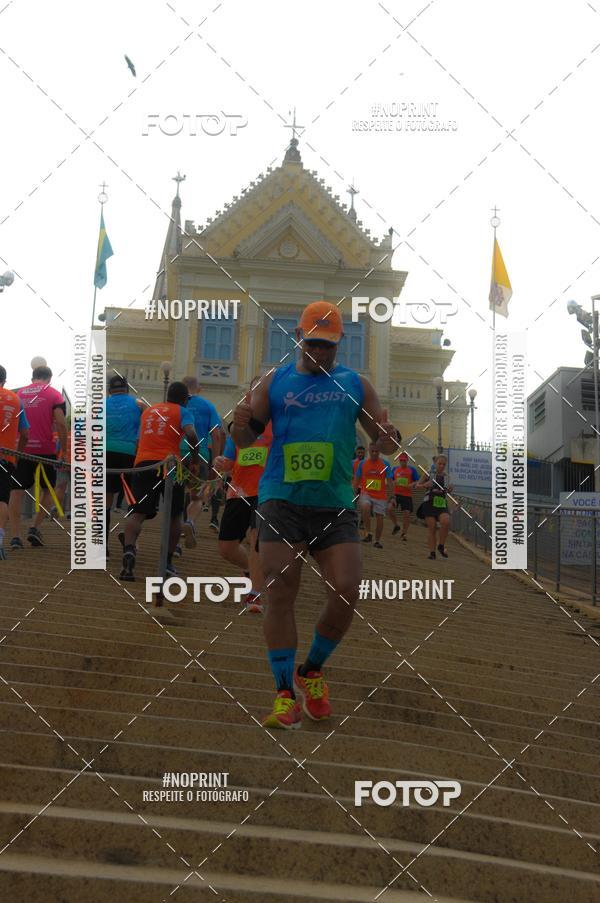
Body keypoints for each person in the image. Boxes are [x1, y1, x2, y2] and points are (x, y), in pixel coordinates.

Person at [231, 300, 400, 730]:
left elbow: (384, 442)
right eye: (313, 344)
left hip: (334, 503)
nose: (320, 352)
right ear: (299, 340)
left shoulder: (355, 384)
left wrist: (387, 438)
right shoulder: (275, 381)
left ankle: (313, 670)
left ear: (338, 344)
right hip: (280, 499)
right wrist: (239, 421)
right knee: (281, 590)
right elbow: (246, 436)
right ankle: (284, 693)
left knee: (346, 588)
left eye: (328, 346)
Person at [120, 381, 200, 581]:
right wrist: (195, 460)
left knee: (137, 512)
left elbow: (139, 441)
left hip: (143, 463)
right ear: (184, 399)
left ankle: (129, 551)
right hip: (170, 465)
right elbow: (191, 434)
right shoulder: (182, 411)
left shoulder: (149, 411)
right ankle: (167, 563)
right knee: (174, 516)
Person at [213, 417, 273, 613]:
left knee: (256, 537)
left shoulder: (281, 421)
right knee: (226, 548)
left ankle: (255, 593)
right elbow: (229, 461)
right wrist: (220, 461)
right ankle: (252, 571)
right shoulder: (239, 427)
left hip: (267, 490)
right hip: (238, 491)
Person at [9, 365, 67, 548]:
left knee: (16, 491)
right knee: (48, 489)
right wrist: (63, 451)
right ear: (49, 378)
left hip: (21, 449)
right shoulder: (55, 394)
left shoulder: (19, 394)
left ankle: (16, 535)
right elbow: (61, 423)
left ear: (33, 377)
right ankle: (34, 527)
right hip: (46, 451)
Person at [180, 376, 224, 547]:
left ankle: (174, 541)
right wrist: (216, 462)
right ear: (198, 388)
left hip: (177, 455)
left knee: (175, 496)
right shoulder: (208, 406)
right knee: (197, 496)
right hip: (201, 455)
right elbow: (217, 435)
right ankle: (190, 522)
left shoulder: (178, 405)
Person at [105, 375, 142, 548]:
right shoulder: (137, 404)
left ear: (109, 390)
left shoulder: (101, 405)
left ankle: (101, 547)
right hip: (129, 454)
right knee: (132, 499)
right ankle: (130, 541)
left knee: (105, 500)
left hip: (105, 452)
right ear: (126, 388)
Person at [0, 365, 30, 560]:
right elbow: (25, 434)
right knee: (2, 500)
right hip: (6, 457)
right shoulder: (16, 399)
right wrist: (17, 455)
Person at [353, 442, 394, 549]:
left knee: (380, 517)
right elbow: (356, 480)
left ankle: (377, 540)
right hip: (366, 492)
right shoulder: (363, 464)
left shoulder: (385, 464)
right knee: (365, 506)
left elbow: (390, 481)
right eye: (372, 451)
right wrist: (353, 492)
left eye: (377, 451)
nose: (375, 453)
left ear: (379, 451)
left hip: (380, 495)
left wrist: (392, 496)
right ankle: (368, 532)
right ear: (369, 451)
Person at [417, 454, 453, 559]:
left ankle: (441, 546)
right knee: (432, 528)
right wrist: (424, 485)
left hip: (441, 502)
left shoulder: (447, 477)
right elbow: (417, 485)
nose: (441, 466)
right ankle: (432, 553)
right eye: (439, 464)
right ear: (435, 463)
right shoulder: (428, 474)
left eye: (444, 464)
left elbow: (447, 491)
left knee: (445, 521)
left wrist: (450, 489)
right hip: (429, 502)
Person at [389, 452, 419, 540]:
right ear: (399, 460)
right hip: (396, 494)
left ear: (407, 460)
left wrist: (412, 484)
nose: (402, 462)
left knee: (406, 514)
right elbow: (390, 480)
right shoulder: (394, 469)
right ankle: (396, 525)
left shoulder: (412, 470)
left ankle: (404, 533)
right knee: (389, 508)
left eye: (404, 460)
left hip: (407, 495)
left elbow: (418, 481)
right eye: (401, 460)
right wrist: (393, 482)